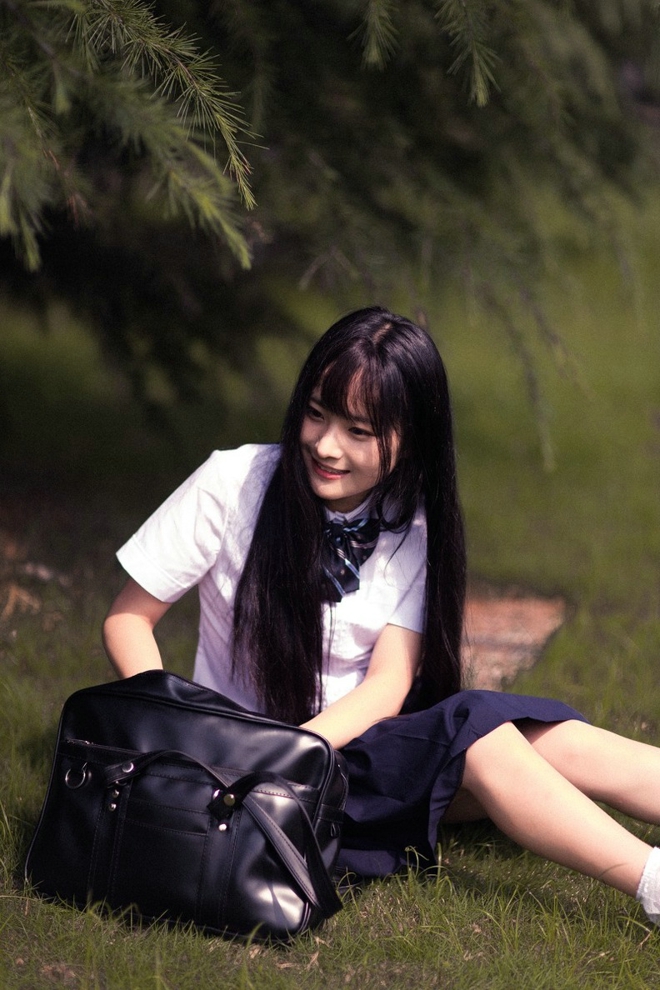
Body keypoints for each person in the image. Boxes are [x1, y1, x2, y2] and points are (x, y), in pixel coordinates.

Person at [103, 306, 660, 926]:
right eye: (317, 412)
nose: (326, 445)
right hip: (248, 774)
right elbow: (128, 619)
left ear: (409, 440)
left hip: (349, 753)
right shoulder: (232, 484)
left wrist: (299, 748)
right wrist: (177, 732)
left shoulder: (409, 525)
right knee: (483, 738)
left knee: (536, 738)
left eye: (358, 431)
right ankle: (653, 884)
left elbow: (388, 683)